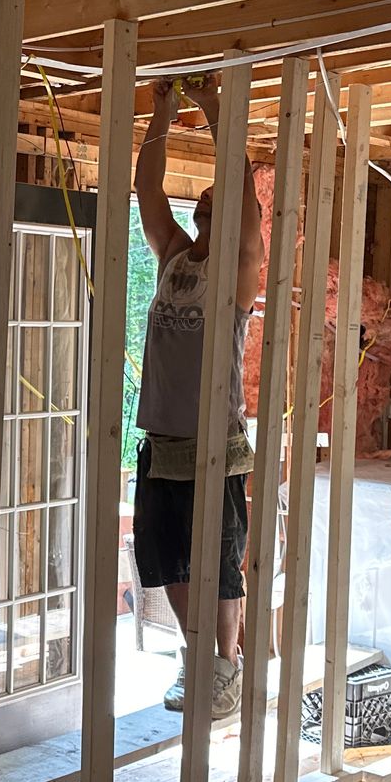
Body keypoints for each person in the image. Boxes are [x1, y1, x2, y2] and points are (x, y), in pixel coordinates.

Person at [132, 74, 264, 717]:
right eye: (205, 197)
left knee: (217, 559)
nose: (213, 196)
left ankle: (228, 670)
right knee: (165, 558)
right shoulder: (175, 259)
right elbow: (146, 191)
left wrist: (216, 109)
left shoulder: (237, 271)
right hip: (162, 439)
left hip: (216, 442)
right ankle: (198, 660)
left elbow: (245, 202)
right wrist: (161, 110)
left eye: (224, 195)